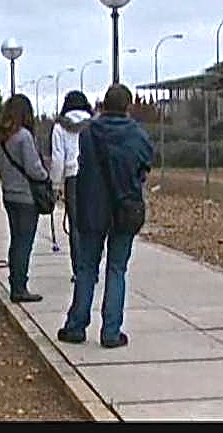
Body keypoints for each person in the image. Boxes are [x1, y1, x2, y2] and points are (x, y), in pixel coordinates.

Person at [57, 84, 153, 348]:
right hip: (124, 209)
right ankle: (111, 331)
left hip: (92, 208)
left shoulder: (88, 133)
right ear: (128, 106)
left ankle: (76, 325)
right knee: (117, 269)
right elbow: (145, 167)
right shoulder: (138, 135)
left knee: (87, 269)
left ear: (103, 105)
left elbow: (81, 165)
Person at [0, 94, 49, 303]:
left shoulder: (2, 137)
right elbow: (34, 168)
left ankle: (14, 282)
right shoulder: (24, 136)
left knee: (15, 240)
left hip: (9, 194)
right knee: (24, 242)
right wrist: (45, 176)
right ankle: (20, 287)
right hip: (26, 197)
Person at [49, 90, 95, 283]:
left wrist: (55, 183)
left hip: (72, 177)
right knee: (93, 222)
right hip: (92, 177)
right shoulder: (94, 125)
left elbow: (57, 158)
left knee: (75, 224)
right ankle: (93, 264)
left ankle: (79, 269)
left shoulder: (60, 127)